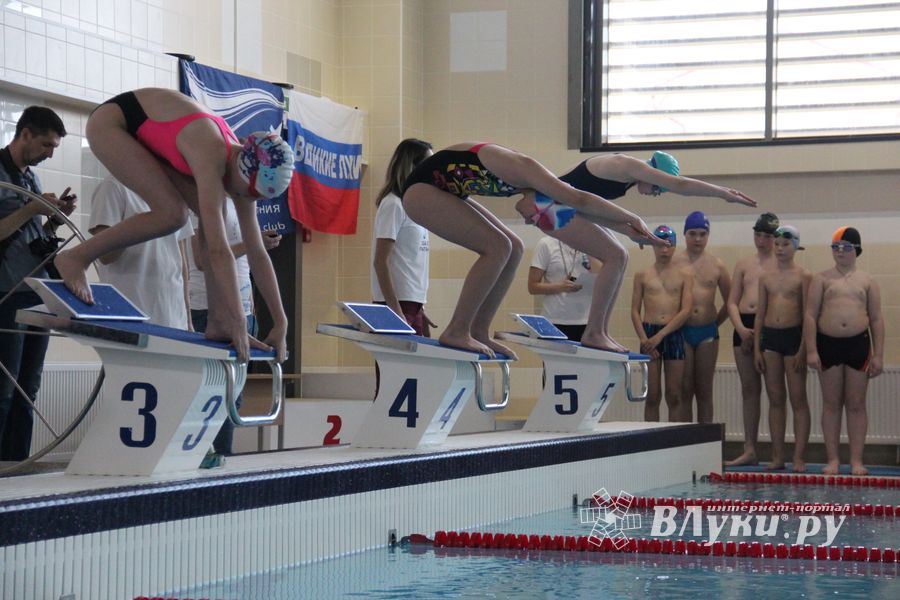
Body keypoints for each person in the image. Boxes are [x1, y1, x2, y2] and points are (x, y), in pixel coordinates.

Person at [54, 88, 292, 362]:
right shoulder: (211, 152)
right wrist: (239, 320)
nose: (248, 200)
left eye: (257, 198)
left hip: (146, 131)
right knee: (172, 214)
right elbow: (217, 250)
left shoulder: (244, 172)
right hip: (115, 123)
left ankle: (217, 320)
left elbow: (257, 252)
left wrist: (280, 322)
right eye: (250, 193)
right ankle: (76, 257)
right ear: (243, 170)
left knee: (202, 217)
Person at [402, 142, 664, 358]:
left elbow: (581, 208)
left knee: (513, 247)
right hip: (421, 191)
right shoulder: (528, 171)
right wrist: (632, 218)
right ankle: (457, 330)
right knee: (497, 246)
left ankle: (478, 331)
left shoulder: (536, 184)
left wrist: (625, 228)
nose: (530, 218)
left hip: (445, 190)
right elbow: (580, 200)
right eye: (534, 215)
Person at [557, 150, 755, 354]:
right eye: (658, 188)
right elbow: (681, 185)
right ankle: (594, 332)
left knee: (620, 255)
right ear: (653, 172)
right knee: (615, 256)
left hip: (561, 207)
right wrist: (723, 193)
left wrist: (630, 232)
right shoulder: (628, 165)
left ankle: (600, 331)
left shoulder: (624, 179)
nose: (656, 193)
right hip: (547, 205)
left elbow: (588, 210)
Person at [0, 106, 75, 461]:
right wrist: (33, 209)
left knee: (28, 387)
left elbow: (29, 238)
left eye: (55, 148)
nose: (49, 154)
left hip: (36, 291)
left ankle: (17, 466)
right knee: (5, 386)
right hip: (6, 294)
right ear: (25, 133)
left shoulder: (30, 178)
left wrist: (56, 221)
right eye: (46, 145)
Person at [188, 199, 282, 459]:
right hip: (209, 309)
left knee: (233, 396)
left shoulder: (242, 203)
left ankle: (222, 457)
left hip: (244, 310)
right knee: (212, 393)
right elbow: (201, 259)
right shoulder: (205, 197)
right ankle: (208, 457)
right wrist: (253, 245)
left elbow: (256, 259)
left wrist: (279, 320)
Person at [805, 227, 884, 476]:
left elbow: (877, 319)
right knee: (831, 404)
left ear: (856, 250)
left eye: (846, 247)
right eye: (836, 247)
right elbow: (809, 315)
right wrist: (811, 350)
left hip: (857, 344)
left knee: (857, 404)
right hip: (827, 343)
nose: (840, 252)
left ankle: (856, 460)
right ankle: (833, 459)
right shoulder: (822, 279)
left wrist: (879, 355)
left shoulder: (868, 281)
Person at [88, 176, 193, 328]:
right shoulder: (112, 187)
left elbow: (181, 263)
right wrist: (137, 226)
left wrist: (187, 317)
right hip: (129, 313)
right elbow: (105, 256)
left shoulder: (174, 194)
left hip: (174, 315)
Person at [753, 225, 811, 472]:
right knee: (775, 399)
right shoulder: (765, 276)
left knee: (798, 399)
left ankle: (799, 457)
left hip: (794, 337)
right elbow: (760, 314)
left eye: (785, 244)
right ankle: (778, 457)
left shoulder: (804, 276)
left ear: (795, 246)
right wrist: (756, 348)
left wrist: (803, 348)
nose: (779, 249)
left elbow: (809, 314)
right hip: (770, 339)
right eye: (776, 244)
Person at [725, 212, 779, 466]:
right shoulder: (744, 264)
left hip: (769, 327)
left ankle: (777, 452)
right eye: (758, 235)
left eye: (767, 236)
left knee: (774, 391)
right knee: (749, 390)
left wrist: (761, 330)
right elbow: (732, 302)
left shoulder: (781, 264)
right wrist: (741, 330)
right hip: (743, 327)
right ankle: (750, 449)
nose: (762, 240)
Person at [372, 139, 435, 336]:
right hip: (396, 305)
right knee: (397, 367)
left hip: (413, 304)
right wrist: (396, 311)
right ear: (412, 167)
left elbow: (409, 261)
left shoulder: (415, 207)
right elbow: (380, 262)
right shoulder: (393, 205)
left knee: (417, 367)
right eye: (428, 164)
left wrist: (419, 308)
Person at [630, 225, 692, 422]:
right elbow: (634, 311)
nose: (664, 250)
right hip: (648, 334)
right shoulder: (642, 275)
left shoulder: (685, 275)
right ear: (652, 245)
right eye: (660, 245)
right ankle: (651, 443)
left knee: (674, 395)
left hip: (673, 333)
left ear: (674, 247)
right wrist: (644, 338)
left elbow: (686, 310)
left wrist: (661, 335)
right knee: (652, 395)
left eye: (668, 245)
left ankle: (672, 444)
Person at [676, 211, 731, 423]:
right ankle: (686, 443)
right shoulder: (675, 263)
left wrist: (715, 322)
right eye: (693, 234)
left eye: (702, 234)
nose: (698, 239)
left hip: (707, 331)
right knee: (684, 390)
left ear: (708, 235)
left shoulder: (717, 265)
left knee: (705, 391)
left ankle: (707, 445)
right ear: (685, 234)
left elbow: (731, 301)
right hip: (681, 332)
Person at [527, 236, 600, 340]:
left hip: (586, 321)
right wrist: (560, 287)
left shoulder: (591, 245)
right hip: (554, 321)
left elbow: (601, 276)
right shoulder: (546, 244)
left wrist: (587, 248)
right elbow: (532, 287)